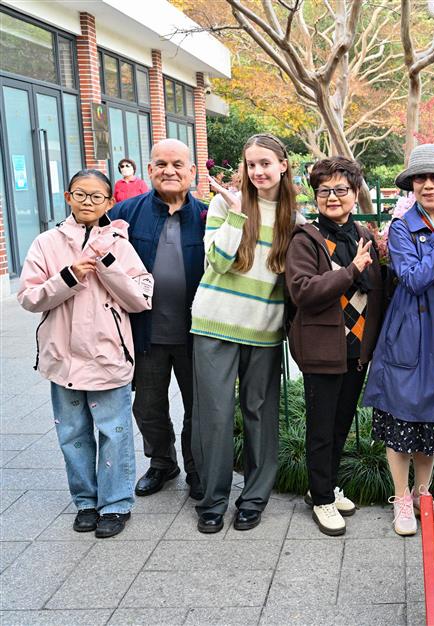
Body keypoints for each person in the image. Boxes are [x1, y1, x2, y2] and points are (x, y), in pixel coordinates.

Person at [18, 169, 153, 538]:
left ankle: (116, 504)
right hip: (62, 357)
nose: (88, 202)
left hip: (108, 354)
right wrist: (68, 276)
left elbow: (141, 298)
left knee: (115, 432)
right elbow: (29, 297)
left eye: (97, 197)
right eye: (81, 194)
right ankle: (86, 502)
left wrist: (107, 266)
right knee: (73, 434)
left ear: (109, 202)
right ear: (68, 197)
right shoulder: (46, 243)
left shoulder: (119, 243)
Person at [190, 133, 304, 534]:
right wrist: (237, 214)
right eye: (251, 164)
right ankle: (212, 501)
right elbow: (218, 262)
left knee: (261, 415)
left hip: (263, 329)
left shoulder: (294, 218)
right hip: (214, 324)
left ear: (283, 166)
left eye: (265, 163)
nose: (257, 171)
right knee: (215, 417)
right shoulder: (225, 203)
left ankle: (253, 500)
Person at [361, 144, 434, 536]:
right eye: (421, 178)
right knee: (402, 420)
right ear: (411, 184)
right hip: (409, 335)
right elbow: (413, 279)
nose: (429, 185)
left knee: (432, 423)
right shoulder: (403, 228)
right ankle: (402, 498)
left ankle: (425, 495)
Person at [285, 157, 386, 536]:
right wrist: (351, 270)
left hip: (355, 349)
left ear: (355, 193)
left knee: (341, 424)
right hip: (321, 348)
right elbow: (303, 291)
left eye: (341, 189)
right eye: (324, 190)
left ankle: (322, 487)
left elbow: (376, 289)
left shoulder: (362, 235)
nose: (332, 197)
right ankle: (322, 499)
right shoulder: (305, 239)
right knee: (321, 428)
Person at [109, 139, 206, 501]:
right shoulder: (126, 213)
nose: (169, 171)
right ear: (149, 170)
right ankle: (162, 462)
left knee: (198, 406)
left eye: (178, 164)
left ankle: (197, 467)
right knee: (148, 406)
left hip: (197, 333)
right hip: (145, 332)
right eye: (161, 164)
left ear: (191, 172)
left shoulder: (208, 217)